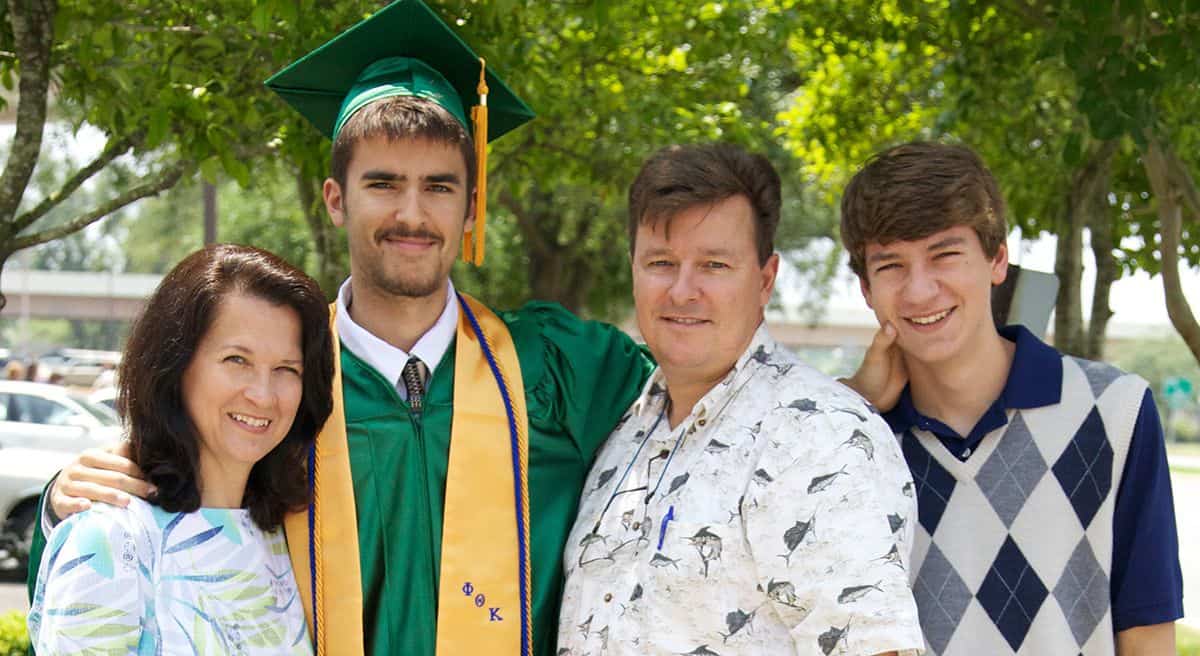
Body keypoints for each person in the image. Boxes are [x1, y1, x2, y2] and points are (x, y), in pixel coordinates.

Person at [26, 2, 652, 655]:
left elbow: (706, 408)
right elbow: (150, 537)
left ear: (471, 206)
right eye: (382, 183)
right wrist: (59, 503)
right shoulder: (282, 381)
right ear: (335, 198)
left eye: (440, 187)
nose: (412, 213)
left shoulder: (554, 365)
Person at [557, 144, 923, 656]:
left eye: (714, 265)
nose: (683, 291)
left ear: (764, 279)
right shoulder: (624, 436)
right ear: (633, 270)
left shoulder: (816, 436)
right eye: (661, 263)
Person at [840, 142, 1183, 655]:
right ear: (866, 288)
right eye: (891, 265)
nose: (919, 290)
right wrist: (852, 408)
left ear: (997, 259)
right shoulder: (848, 440)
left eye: (945, 255)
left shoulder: (1116, 412)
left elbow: (1146, 630)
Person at [27, 244, 334, 654]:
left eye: (286, 369)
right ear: (175, 366)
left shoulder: (290, 534)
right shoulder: (112, 540)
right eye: (236, 360)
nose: (263, 395)